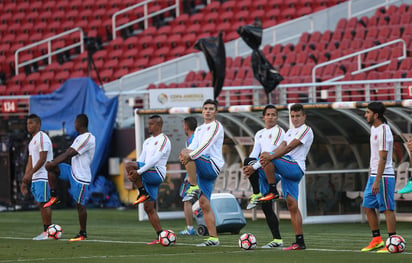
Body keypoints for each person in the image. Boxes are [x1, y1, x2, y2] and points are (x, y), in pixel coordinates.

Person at [259, 103, 314, 250]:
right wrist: (266, 158)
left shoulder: (306, 130)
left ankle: (272, 190)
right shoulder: (290, 131)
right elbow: (281, 147)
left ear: (304, 116)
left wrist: (270, 156)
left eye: (298, 116)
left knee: (266, 155)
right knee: (292, 205)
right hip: (287, 170)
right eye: (293, 116)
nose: (295, 119)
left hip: (295, 167)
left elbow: (289, 147)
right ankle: (300, 242)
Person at [179, 99, 225, 247]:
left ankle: (193, 186)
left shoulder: (216, 126)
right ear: (202, 111)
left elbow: (206, 146)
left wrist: (188, 155)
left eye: (211, 108)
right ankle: (214, 239)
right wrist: (185, 156)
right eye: (205, 108)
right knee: (204, 204)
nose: (208, 111)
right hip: (202, 165)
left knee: (187, 152)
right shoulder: (199, 129)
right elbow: (193, 146)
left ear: (216, 112)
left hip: (212, 165)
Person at [44, 114, 96, 242]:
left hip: (81, 177)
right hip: (72, 171)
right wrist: (52, 164)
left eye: (75, 122)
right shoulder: (79, 138)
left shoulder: (88, 138)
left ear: (79, 123)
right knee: (52, 169)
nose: (74, 125)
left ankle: (82, 233)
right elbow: (69, 152)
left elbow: (69, 153)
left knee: (80, 205)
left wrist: (53, 162)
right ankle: (54, 195)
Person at [242, 105, 285, 248]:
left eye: (274, 114)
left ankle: (256, 193)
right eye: (268, 114)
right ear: (264, 117)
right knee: (267, 206)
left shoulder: (279, 131)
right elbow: (255, 154)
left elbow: (270, 153)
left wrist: (252, 168)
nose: (271, 117)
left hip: (274, 171)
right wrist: (249, 166)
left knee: (257, 160)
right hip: (261, 168)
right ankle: (277, 240)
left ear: (277, 117)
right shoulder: (259, 133)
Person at [125, 115, 171, 245]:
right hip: (147, 174)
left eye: (151, 124)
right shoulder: (147, 141)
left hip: (157, 173)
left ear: (159, 125)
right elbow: (140, 160)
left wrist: (137, 172)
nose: (148, 126)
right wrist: (133, 174)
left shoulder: (164, 140)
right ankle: (160, 236)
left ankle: (142, 191)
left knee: (128, 165)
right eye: (148, 123)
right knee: (148, 208)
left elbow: (156, 159)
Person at [360, 102, 397, 253]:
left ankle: (392, 241)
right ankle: (377, 240)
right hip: (374, 175)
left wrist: (377, 180)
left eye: (368, 112)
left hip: (384, 176)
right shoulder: (374, 128)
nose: (365, 115)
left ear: (376, 115)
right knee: (367, 206)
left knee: (387, 209)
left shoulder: (384, 130)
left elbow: (383, 158)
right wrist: (372, 175)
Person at [21, 114, 54, 240]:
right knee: (41, 203)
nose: (28, 125)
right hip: (36, 177)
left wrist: (30, 174)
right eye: (27, 123)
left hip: (44, 175)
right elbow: (30, 161)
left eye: (31, 123)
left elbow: (43, 159)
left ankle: (48, 232)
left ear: (38, 124)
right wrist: (25, 179)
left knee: (44, 203)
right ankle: (47, 231)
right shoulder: (32, 141)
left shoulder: (42, 138)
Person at [179, 116, 198, 236]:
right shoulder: (196, 138)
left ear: (186, 126)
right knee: (203, 200)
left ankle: (190, 228)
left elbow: (192, 158)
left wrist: (190, 176)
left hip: (193, 176)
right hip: (200, 174)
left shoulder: (192, 140)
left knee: (187, 200)